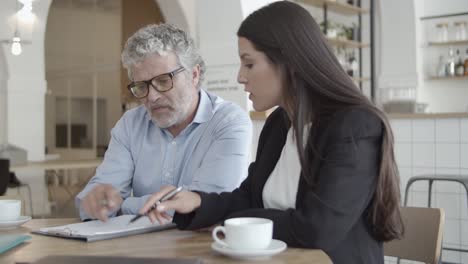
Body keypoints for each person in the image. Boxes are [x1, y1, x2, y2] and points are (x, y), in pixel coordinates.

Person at [141, 2, 404, 264]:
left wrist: (232, 221)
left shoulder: (355, 126)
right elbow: (250, 197)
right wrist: (197, 201)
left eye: (249, 64)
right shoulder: (279, 123)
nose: (240, 77)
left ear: (288, 62)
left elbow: (317, 229)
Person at [75, 24, 252, 221]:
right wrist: (99, 202)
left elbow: (206, 206)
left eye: (163, 81)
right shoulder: (130, 124)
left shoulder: (229, 122)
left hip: (204, 246)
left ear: (194, 75)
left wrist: (124, 205)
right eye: (141, 86)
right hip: (140, 247)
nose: (152, 97)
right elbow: (93, 203)